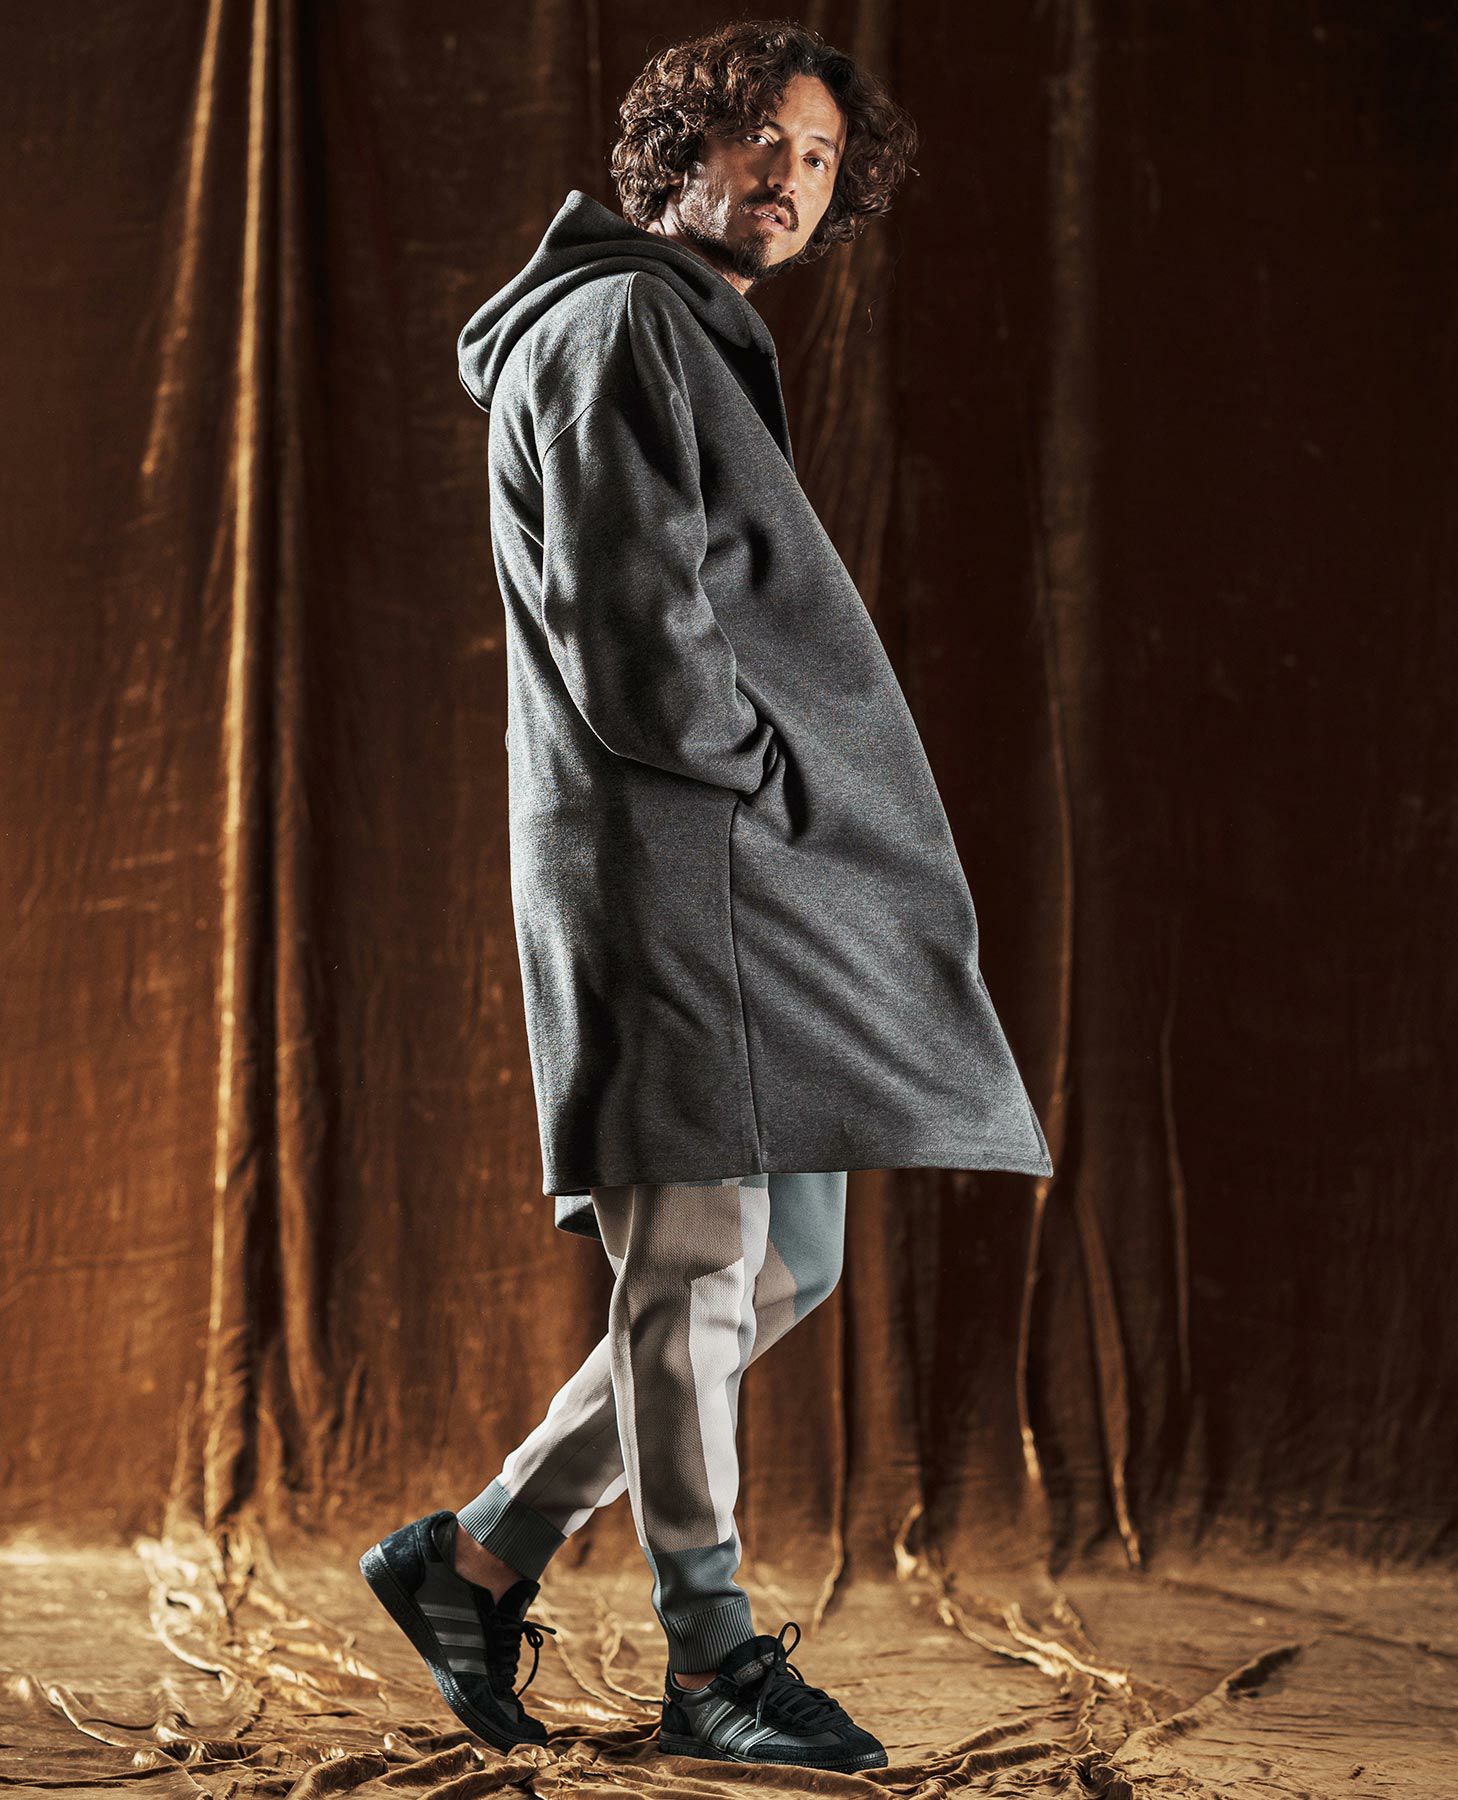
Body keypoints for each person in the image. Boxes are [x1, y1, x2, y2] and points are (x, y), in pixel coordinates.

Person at [360, 18, 1051, 1776]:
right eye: (757, 140)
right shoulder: (615, 323)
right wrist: (771, 768)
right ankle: (714, 1659)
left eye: (818, 158)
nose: (790, 179)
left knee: (785, 1262)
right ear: (676, 148)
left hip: (737, 868)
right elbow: (633, 637)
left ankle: (477, 1556)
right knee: (692, 1258)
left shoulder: (677, 326)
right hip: (675, 865)